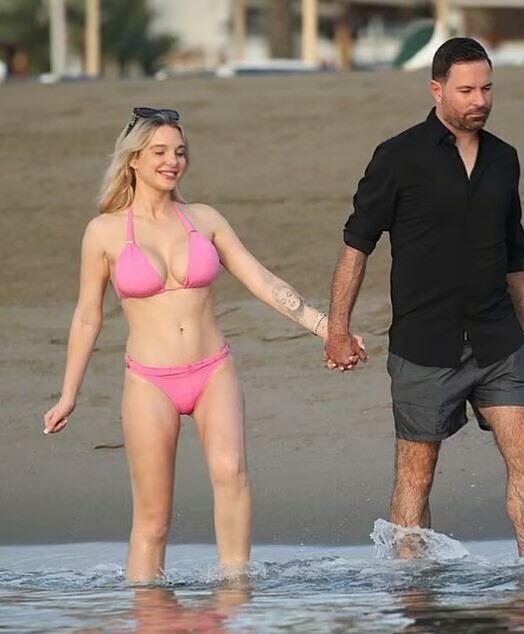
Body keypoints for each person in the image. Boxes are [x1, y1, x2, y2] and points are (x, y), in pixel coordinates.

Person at [43, 107, 356, 583]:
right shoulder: (103, 232)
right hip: (149, 381)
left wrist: (328, 329)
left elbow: (263, 281)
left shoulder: (204, 219)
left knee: (232, 476)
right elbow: (88, 316)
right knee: (153, 515)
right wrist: (69, 394)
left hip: (212, 371)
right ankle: (147, 605)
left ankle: (234, 592)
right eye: (160, 152)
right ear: (133, 159)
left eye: (180, 152)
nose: (173, 161)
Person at [325, 38, 524, 557]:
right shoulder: (397, 157)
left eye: (487, 88)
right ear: (436, 89)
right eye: (466, 90)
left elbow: (515, 254)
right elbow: (357, 245)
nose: (480, 100)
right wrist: (337, 330)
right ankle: (411, 587)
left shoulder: (504, 159)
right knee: (417, 473)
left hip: (499, 338)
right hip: (424, 343)